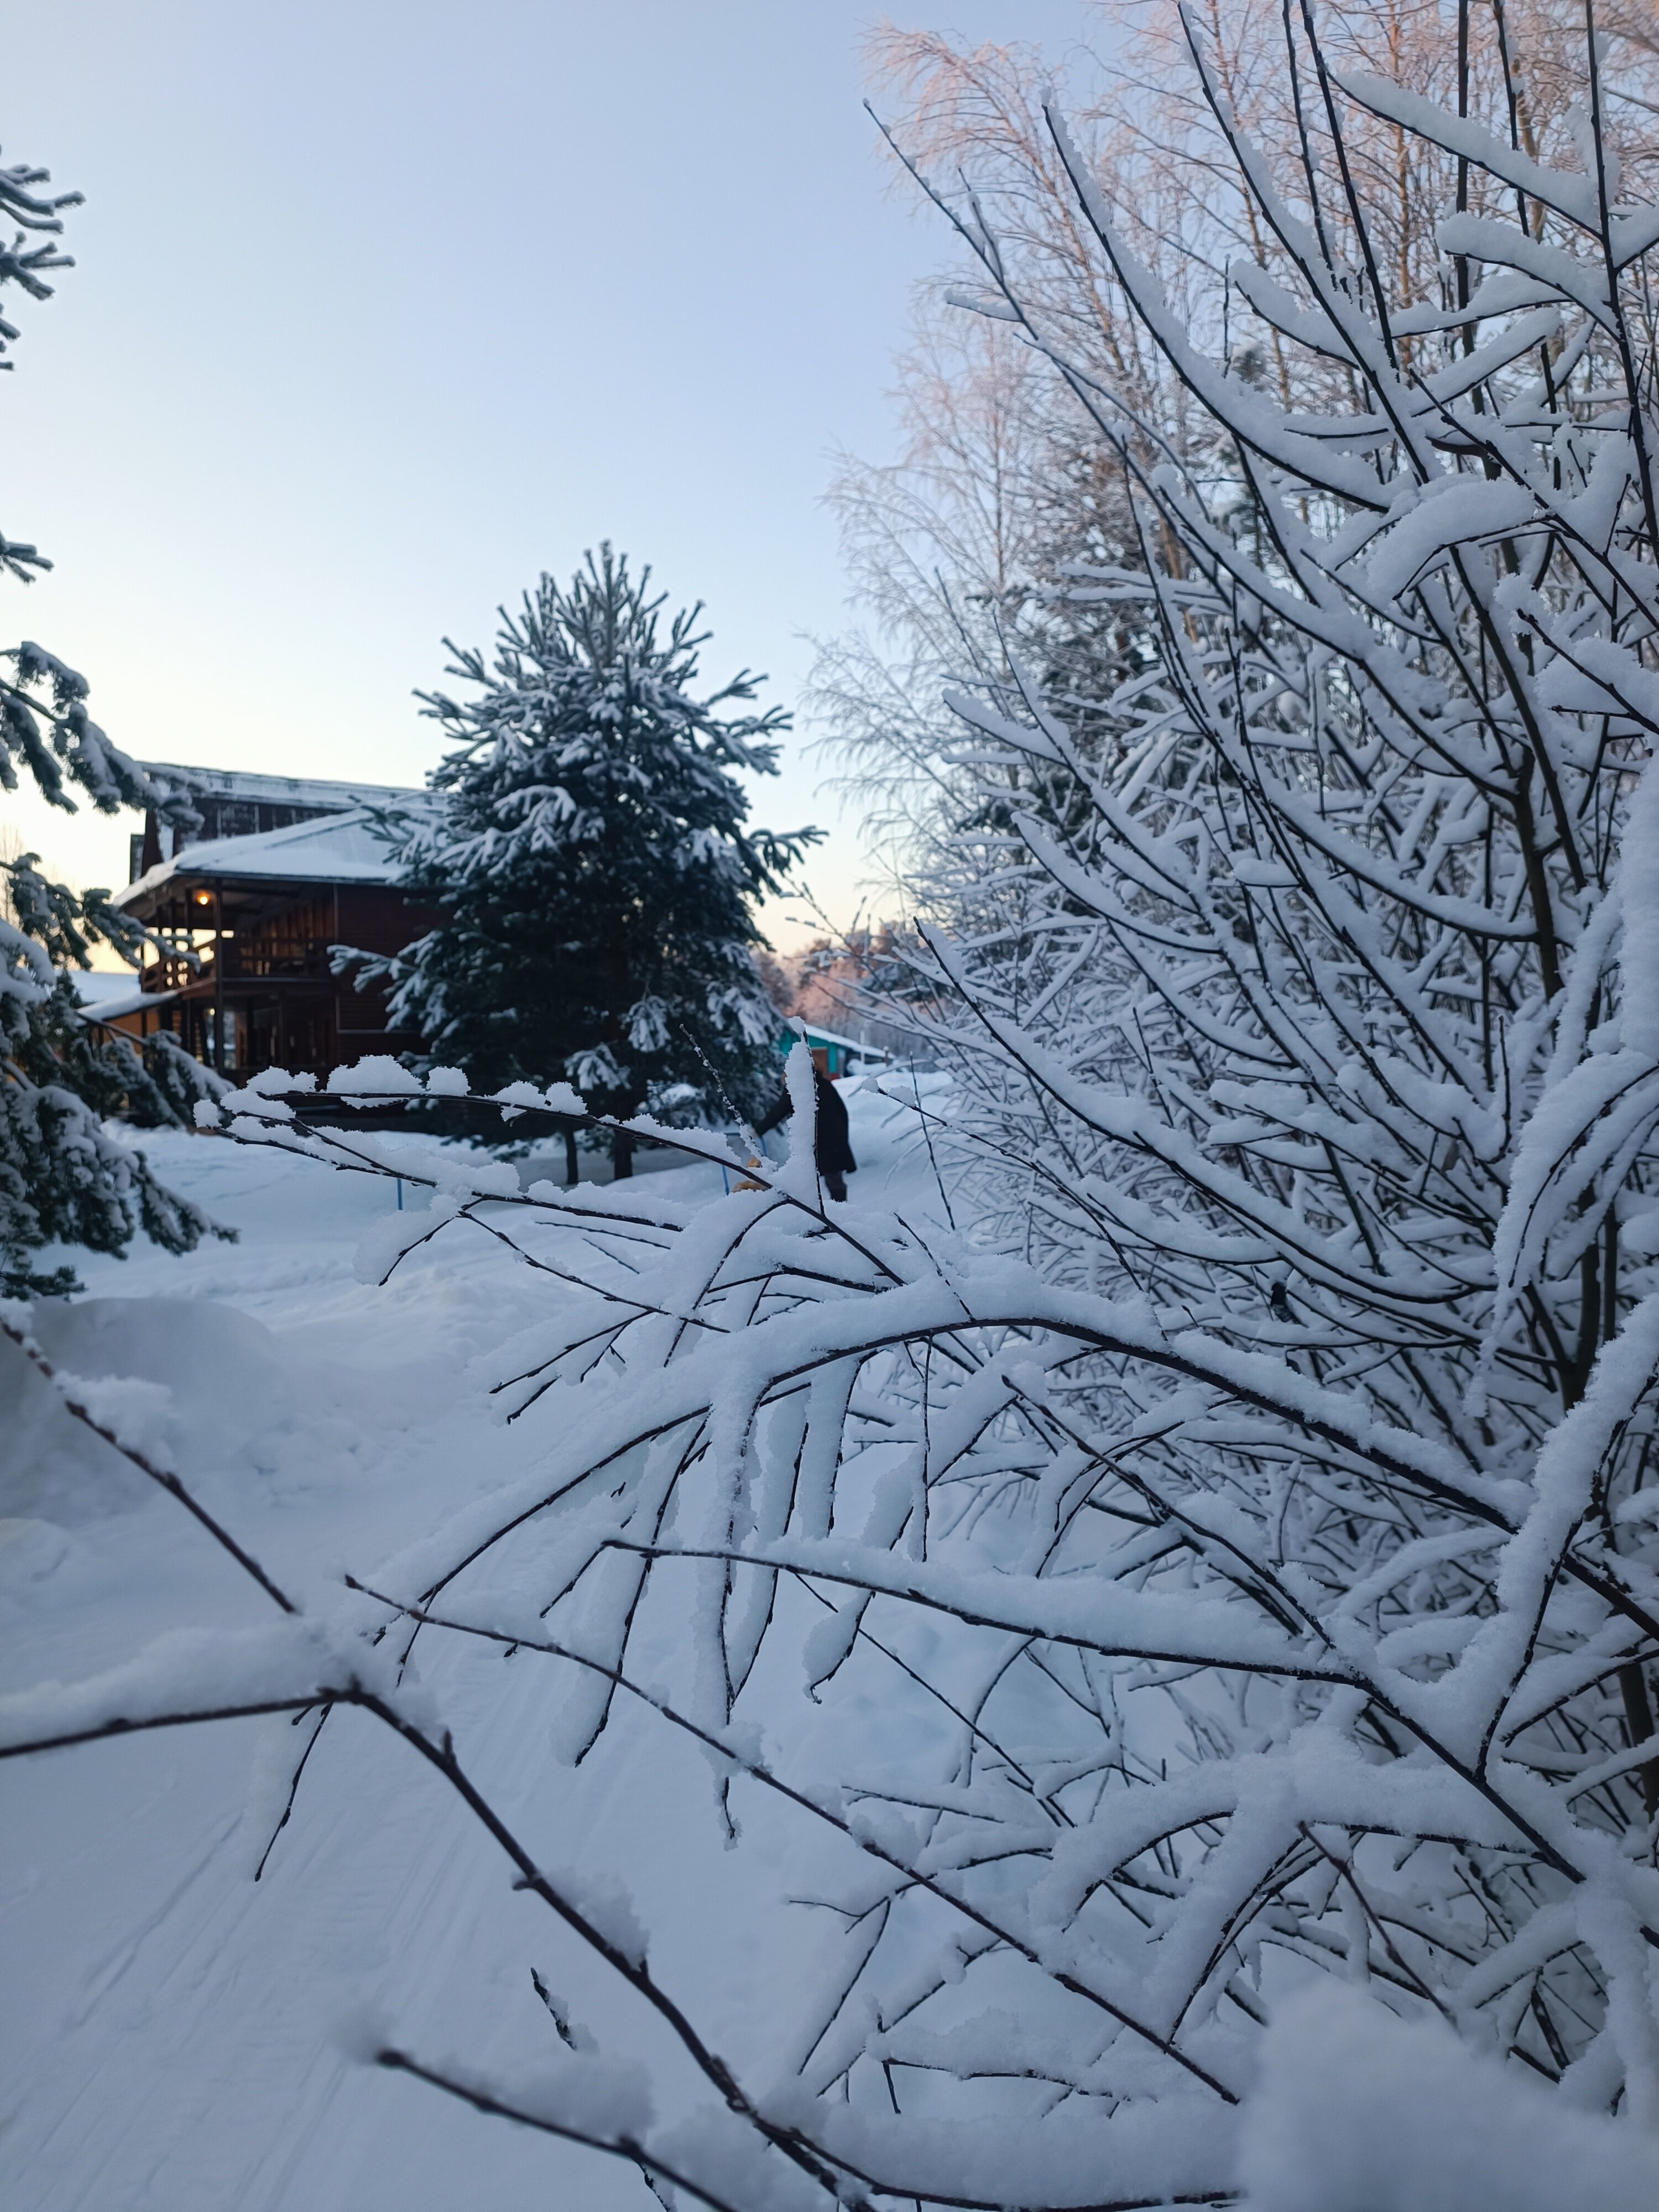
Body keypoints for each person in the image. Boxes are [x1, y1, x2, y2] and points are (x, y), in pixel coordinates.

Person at [756, 1047, 857, 1201]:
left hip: (815, 1141)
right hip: (834, 1140)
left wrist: (757, 1131)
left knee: (808, 1181)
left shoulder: (797, 1087)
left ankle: (822, 1219)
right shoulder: (825, 1084)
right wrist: (843, 1138)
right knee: (834, 1179)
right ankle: (839, 1215)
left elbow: (778, 1112)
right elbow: (843, 1114)